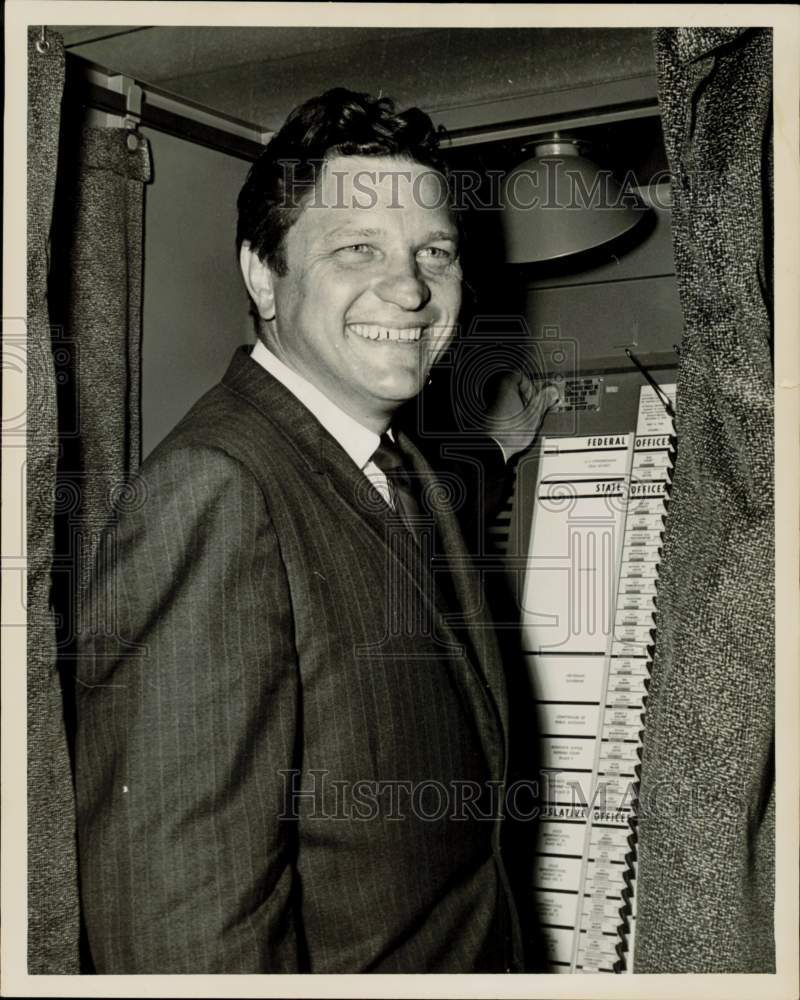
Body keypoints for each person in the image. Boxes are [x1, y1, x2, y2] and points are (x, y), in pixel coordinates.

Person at [74, 88, 553, 974]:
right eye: (357, 248)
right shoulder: (214, 493)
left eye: (434, 252)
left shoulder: (401, 467)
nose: (409, 287)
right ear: (263, 273)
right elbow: (180, 939)